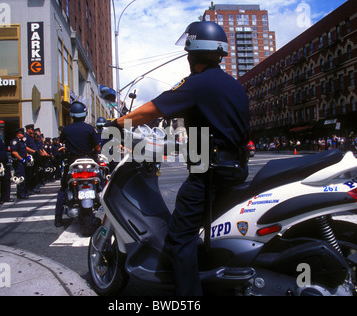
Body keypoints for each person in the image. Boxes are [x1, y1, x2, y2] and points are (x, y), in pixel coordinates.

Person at [105, 21, 250, 296]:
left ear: (192, 52)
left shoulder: (196, 84)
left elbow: (151, 109)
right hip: (235, 169)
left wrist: (115, 124)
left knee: (180, 238)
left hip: (209, 174)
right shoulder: (234, 86)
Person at [54, 101, 101, 227]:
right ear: (85, 114)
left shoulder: (66, 129)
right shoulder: (90, 129)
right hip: (89, 162)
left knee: (63, 189)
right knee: (101, 182)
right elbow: (97, 148)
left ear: (72, 115)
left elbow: (62, 142)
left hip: (72, 162)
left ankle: (58, 218)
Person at [10, 128, 29, 200]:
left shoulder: (21, 142)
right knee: (20, 177)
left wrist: (28, 157)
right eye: (22, 133)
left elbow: (24, 150)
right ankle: (20, 193)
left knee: (23, 177)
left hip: (23, 162)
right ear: (18, 134)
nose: (23, 135)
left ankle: (23, 191)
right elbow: (14, 152)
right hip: (18, 162)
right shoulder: (15, 141)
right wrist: (21, 159)